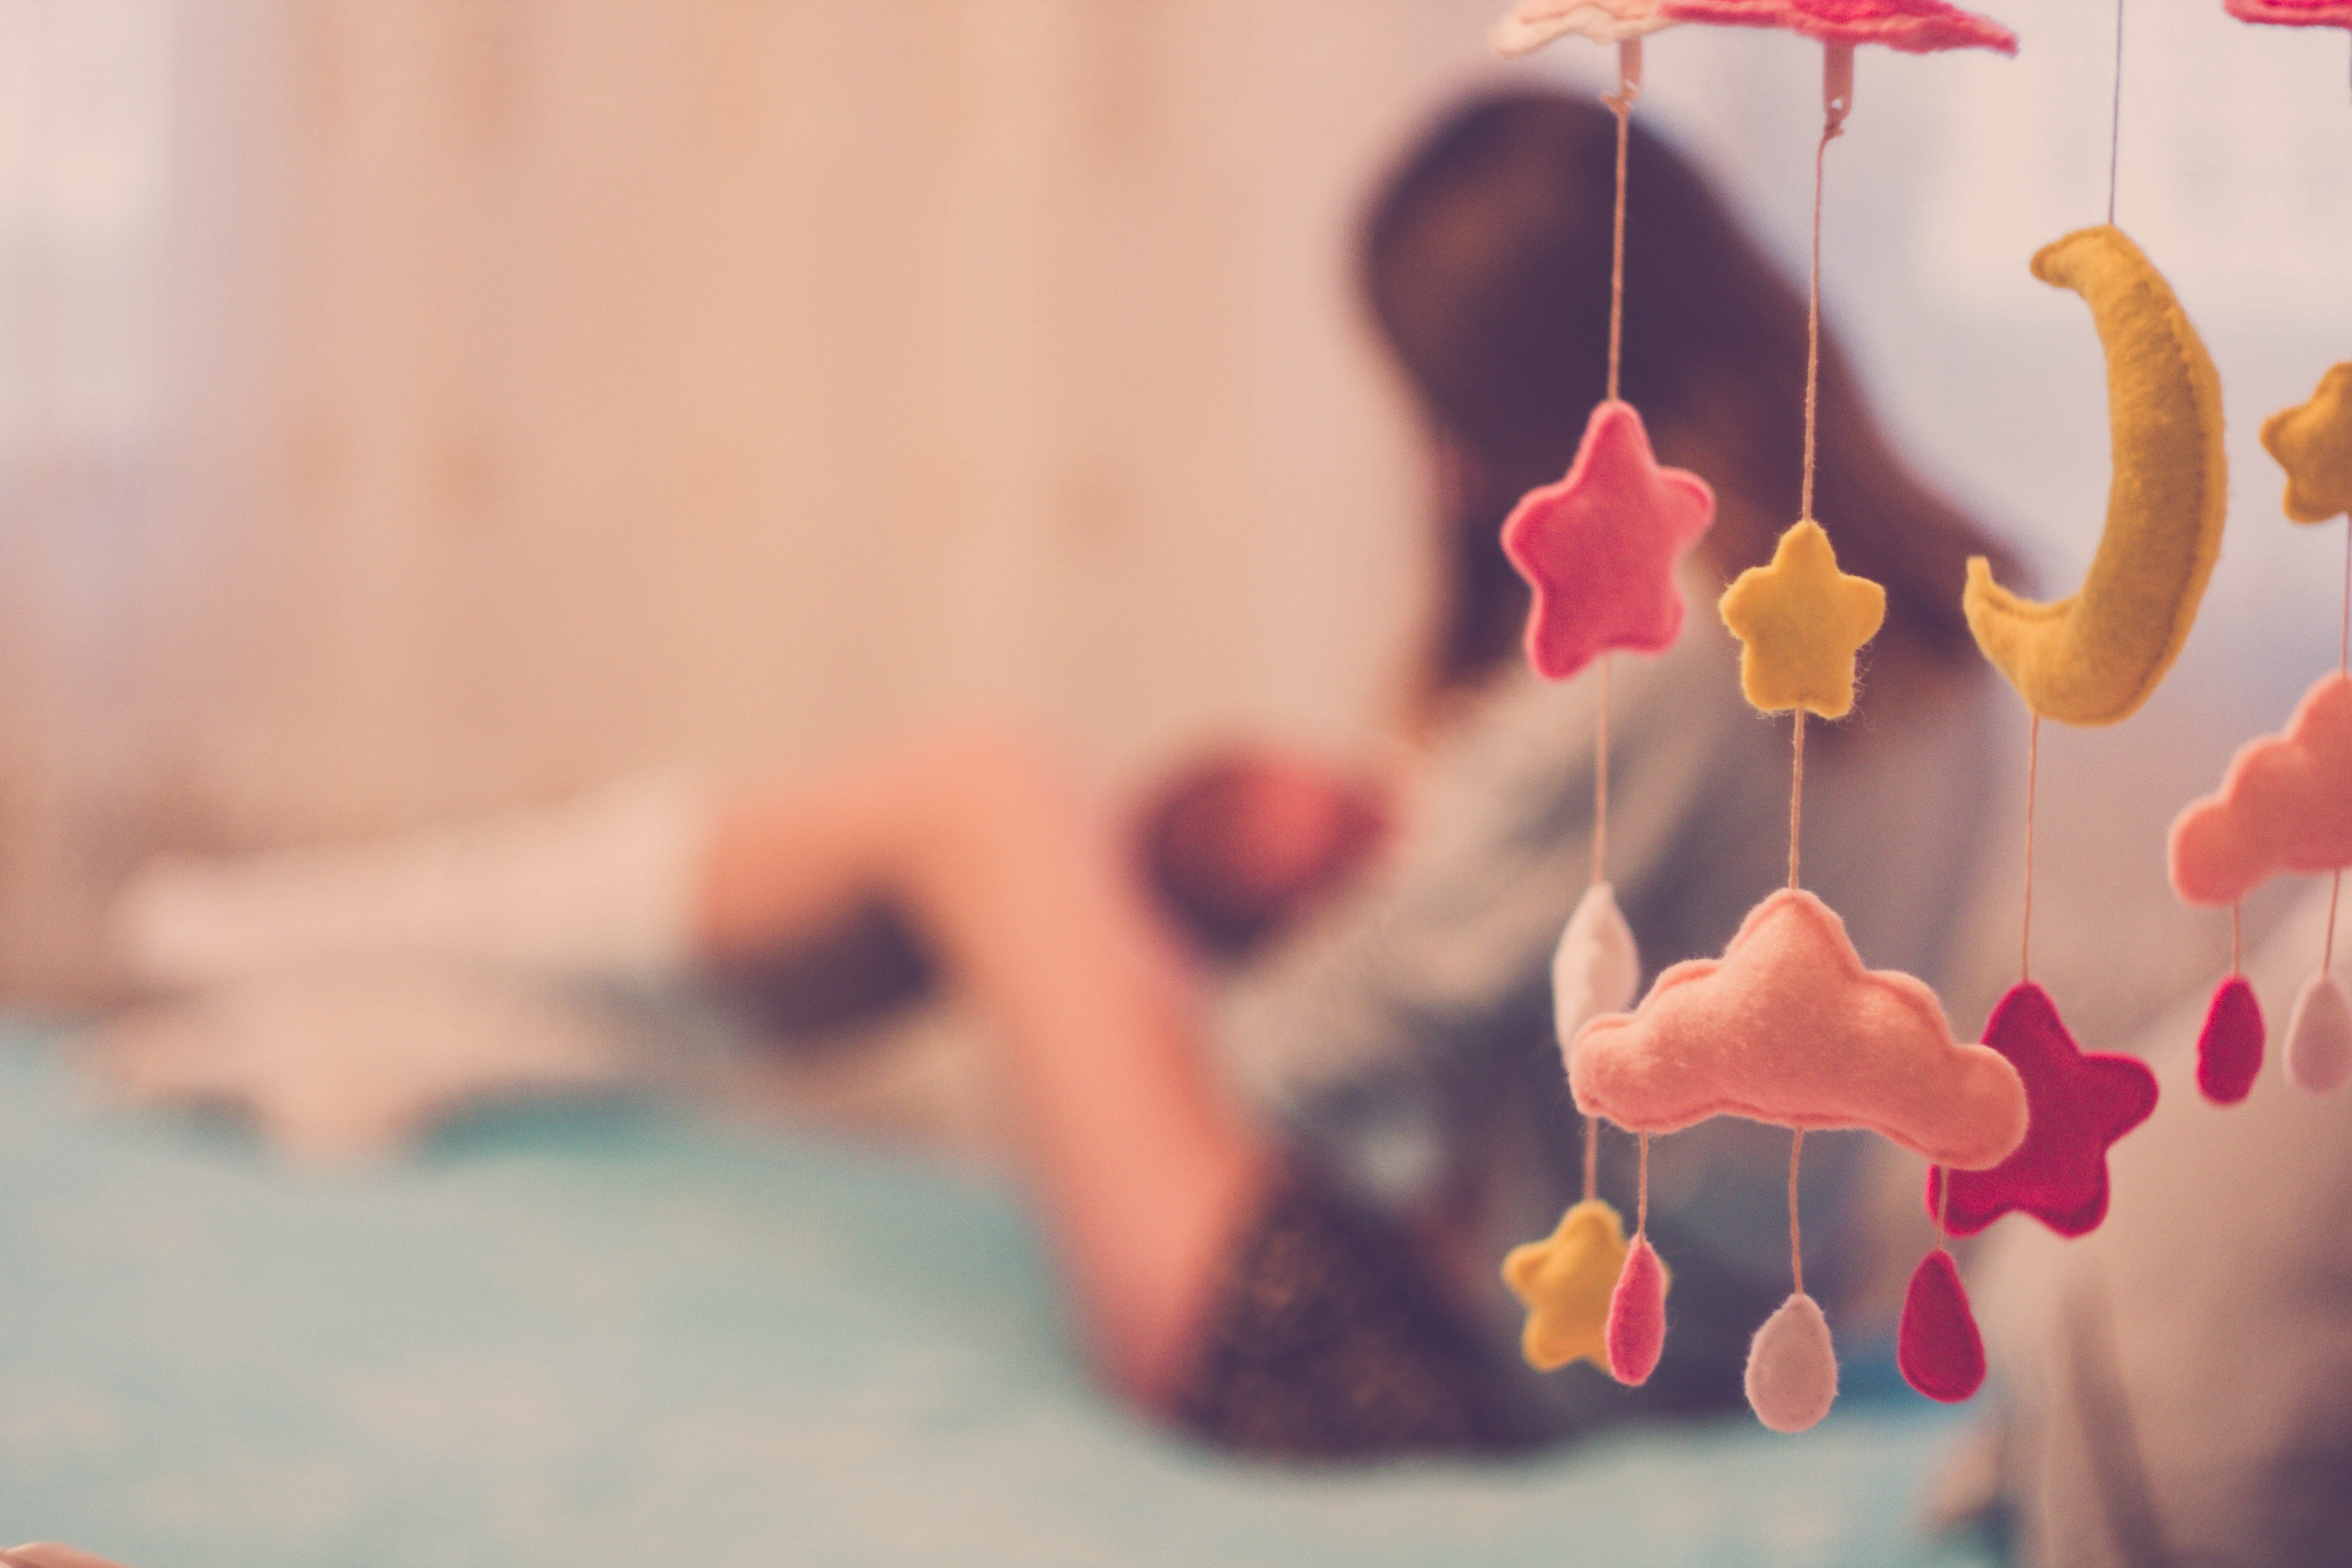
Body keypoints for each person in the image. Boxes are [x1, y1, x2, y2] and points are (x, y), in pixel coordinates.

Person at [109, 88, 2018, 1458]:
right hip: (1660, 1356)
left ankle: (320, 952)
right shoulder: (1905, 605)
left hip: (1415, 1359)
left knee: (981, 801)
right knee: (997, 844)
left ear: (1528, 385)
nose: (1445, 474)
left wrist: (1184, 946)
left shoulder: (1669, 639)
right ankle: (408, 1010)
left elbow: (1302, 1059)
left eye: (1449, 415)